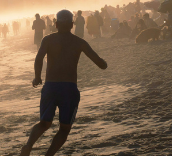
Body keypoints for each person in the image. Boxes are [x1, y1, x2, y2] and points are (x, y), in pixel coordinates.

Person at [20, 10, 108, 156]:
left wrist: (37, 77)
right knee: (64, 128)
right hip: (69, 88)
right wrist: (104, 63)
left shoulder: (48, 40)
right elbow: (100, 63)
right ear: (72, 25)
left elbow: (39, 58)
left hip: (50, 86)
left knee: (44, 123)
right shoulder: (80, 42)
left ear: (55, 24)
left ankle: (28, 146)